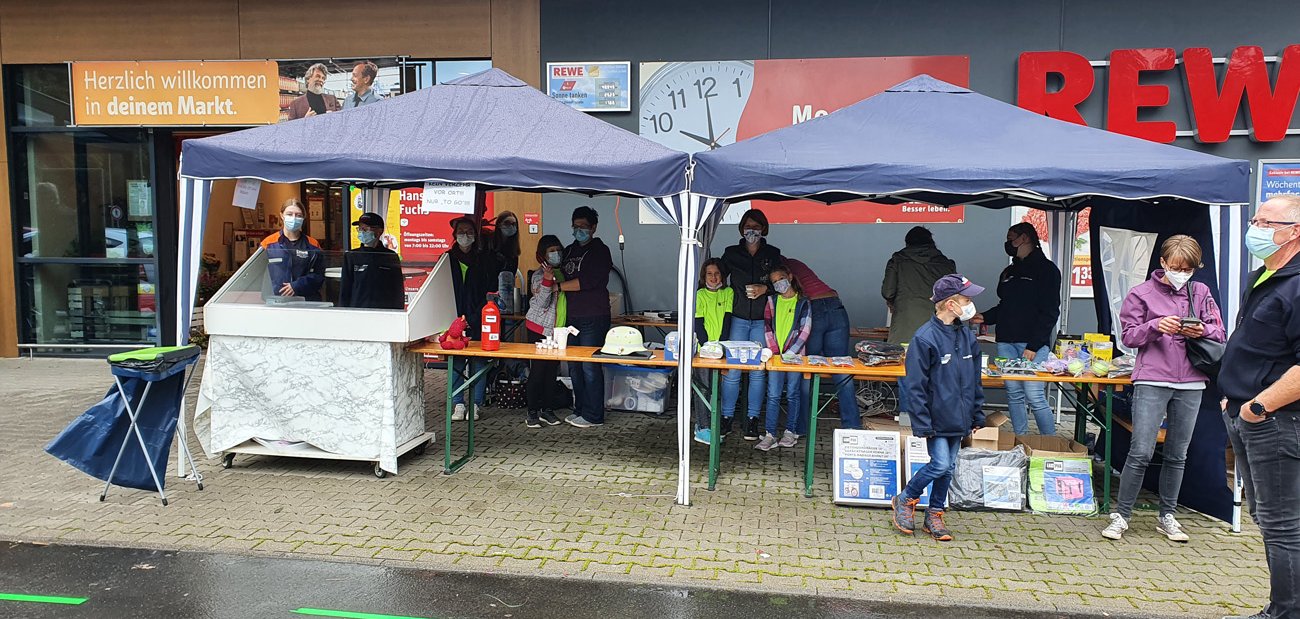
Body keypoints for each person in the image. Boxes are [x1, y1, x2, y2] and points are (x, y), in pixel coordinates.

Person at [1102, 235, 1224, 543]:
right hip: (1153, 378)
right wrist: (1156, 326)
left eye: (1188, 269)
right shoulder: (1141, 293)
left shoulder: (1201, 291)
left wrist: (1201, 329)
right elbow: (1127, 337)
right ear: (1163, 264)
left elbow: (1219, 331)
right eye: (1176, 267)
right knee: (1141, 450)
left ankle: (1168, 515)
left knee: (1177, 454)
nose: (1182, 273)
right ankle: (1122, 515)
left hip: (1192, 381)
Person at [1219, 194, 1300, 619]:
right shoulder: (1264, 276)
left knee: (1283, 522)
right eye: (1256, 219)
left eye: (1268, 222)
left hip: (1276, 419)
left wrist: (1259, 406)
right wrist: (1233, 399)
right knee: (1268, 518)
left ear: (1294, 232)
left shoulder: (1298, 284)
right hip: (1245, 414)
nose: (1257, 228)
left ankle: (1286, 612)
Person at [891, 274, 986, 542]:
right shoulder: (925, 338)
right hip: (936, 418)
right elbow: (915, 385)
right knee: (941, 464)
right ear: (950, 304)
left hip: (960, 417)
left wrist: (977, 413)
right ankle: (906, 498)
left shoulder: (967, 337)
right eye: (966, 300)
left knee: (950, 466)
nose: (970, 305)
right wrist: (922, 421)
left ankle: (934, 512)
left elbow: (974, 380)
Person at [972, 222, 1061, 435]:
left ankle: (1049, 441)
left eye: (1011, 238)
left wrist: (1034, 345)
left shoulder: (1047, 270)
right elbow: (1005, 306)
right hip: (1006, 341)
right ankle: (1021, 439)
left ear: (1025, 238)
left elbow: (1050, 312)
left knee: (1035, 394)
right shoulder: (1009, 271)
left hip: (1032, 344)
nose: (1008, 243)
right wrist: (984, 317)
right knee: (1013, 393)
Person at [719, 209, 784, 440]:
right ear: (741, 228)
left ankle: (752, 420)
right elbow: (716, 277)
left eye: (756, 226)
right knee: (733, 371)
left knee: (757, 372)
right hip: (737, 318)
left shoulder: (773, 253)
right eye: (748, 226)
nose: (752, 230)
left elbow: (783, 283)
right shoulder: (731, 253)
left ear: (764, 229)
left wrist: (765, 289)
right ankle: (726, 418)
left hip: (762, 321)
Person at [786, 257, 861, 431]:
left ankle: (801, 426)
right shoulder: (796, 263)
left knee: (807, 369)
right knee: (841, 368)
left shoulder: (778, 271)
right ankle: (852, 426)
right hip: (835, 306)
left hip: (814, 309)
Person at [558, 206, 613, 428]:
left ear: (593, 228)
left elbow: (587, 281)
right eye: (575, 226)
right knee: (574, 367)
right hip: (572, 318)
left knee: (590, 366)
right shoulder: (570, 250)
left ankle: (594, 415)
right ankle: (579, 409)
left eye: (583, 227)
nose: (578, 230)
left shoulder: (600, 251)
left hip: (593, 316)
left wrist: (558, 287)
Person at [447, 216, 501, 421]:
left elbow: (490, 293)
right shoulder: (447, 259)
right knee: (456, 363)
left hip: (479, 319)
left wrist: (472, 318)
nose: (465, 236)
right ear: (454, 235)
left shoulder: (484, 261)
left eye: (470, 232)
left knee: (479, 363)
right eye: (461, 231)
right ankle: (458, 404)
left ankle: (475, 404)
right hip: (453, 321)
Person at [758, 264, 812, 451]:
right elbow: (767, 328)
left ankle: (790, 431)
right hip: (775, 357)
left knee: (792, 394)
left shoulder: (803, 302)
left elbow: (805, 331)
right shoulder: (772, 301)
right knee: (772, 395)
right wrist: (775, 351)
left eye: (780, 279)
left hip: (796, 358)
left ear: (789, 276)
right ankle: (770, 434)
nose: (778, 284)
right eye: (774, 282)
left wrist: (791, 352)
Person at [882, 226, 956, 345]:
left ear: (907, 243)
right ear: (931, 242)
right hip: (939, 324)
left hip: (905, 323)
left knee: (904, 360)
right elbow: (955, 295)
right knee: (938, 360)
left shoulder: (897, 261)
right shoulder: (946, 264)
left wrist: (893, 302)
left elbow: (887, 292)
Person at [524, 235, 566, 429]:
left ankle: (547, 409)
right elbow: (542, 303)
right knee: (538, 370)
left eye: (558, 249)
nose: (555, 254)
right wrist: (548, 281)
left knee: (551, 372)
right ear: (542, 255)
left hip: (557, 330)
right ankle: (532, 411)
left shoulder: (563, 272)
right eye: (551, 251)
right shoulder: (538, 276)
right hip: (538, 329)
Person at [693, 258, 733, 445]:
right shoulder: (699, 294)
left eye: (717, 273)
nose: (714, 277)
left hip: (720, 350)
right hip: (703, 350)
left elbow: (727, 319)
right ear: (704, 276)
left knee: (716, 388)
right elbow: (698, 323)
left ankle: (713, 425)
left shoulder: (728, 292)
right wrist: (707, 347)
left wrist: (720, 347)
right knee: (703, 388)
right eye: (709, 273)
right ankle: (702, 427)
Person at [260, 198, 325, 301]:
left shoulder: (313, 245)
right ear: (282, 215)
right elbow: (258, 274)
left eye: (298, 215)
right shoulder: (268, 244)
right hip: (276, 302)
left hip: (306, 301)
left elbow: (319, 275)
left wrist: (297, 286)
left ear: (304, 217)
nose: (294, 218)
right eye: (289, 214)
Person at [339, 212, 404, 310]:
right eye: (360, 229)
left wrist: (398, 312)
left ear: (379, 231)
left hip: (384, 313)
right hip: (357, 312)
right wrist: (343, 312)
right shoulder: (351, 256)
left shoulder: (390, 256)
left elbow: (397, 289)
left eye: (365, 229)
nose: (361, 232)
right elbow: (345, 289)